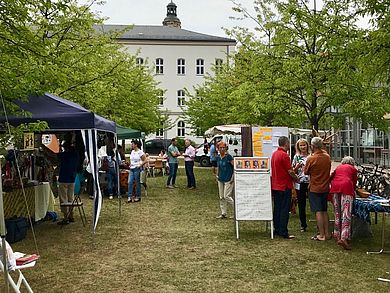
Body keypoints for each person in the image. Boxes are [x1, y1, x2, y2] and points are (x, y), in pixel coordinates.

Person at [304, 137, 331, 241]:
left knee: (318, 211)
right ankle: (327, 233)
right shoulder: (327, 157)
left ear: (312, 146)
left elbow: (306, 172)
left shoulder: (311, 158)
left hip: (315, 187)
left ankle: (321, 234)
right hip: (325, 186)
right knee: (324, 210)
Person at [271, 136, 298, 239]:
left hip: (276, 185)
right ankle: (283, 231)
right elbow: (290, 171)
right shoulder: (284, 155)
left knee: (277, 208)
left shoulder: (274, 154)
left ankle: (277, 228)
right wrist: (296, 179)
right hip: (284, 186)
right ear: (286, 143)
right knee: (284, 209)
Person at [329, 156, 358, 250]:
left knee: (337, 212)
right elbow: (354, 183)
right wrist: (354, 192)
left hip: (335, 187)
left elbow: (331, 177)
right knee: (346, 213)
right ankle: (344, 237)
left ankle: (337, 233)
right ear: (352, 163)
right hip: (346, 187)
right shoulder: (353, 169)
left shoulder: (338, 167)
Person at [57, 140, 79, 225]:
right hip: (72, 178)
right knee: (71, 198)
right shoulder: (76, 155)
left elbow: (55, 156)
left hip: (63, 178)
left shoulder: (65, 155)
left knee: (63, 199)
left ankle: (66, 217)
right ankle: (71, 215)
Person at [292, 138, 310, 232]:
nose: (303, 147)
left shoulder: (311, 156)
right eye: (301, 145)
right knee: (301, 204)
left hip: (310, 182)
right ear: (298, 147)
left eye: (304, 145)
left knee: (312, 203)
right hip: (300, 182)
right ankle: (303, 224)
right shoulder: (296, 157)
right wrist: (297, 167)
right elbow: (292, 171)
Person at [215, 141, 234, 219]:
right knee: (221, 197)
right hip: (221, 179)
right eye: (220, 148)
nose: (222, 149)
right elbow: (218, 167)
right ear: (218, 149)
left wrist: (233, 177)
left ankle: (236, 211)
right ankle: (223, 213)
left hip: (228, 179)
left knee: (227, 196)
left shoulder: (229, 157)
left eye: (224, 147)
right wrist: (217, 175)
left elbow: (234, 167)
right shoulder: (218, 157)